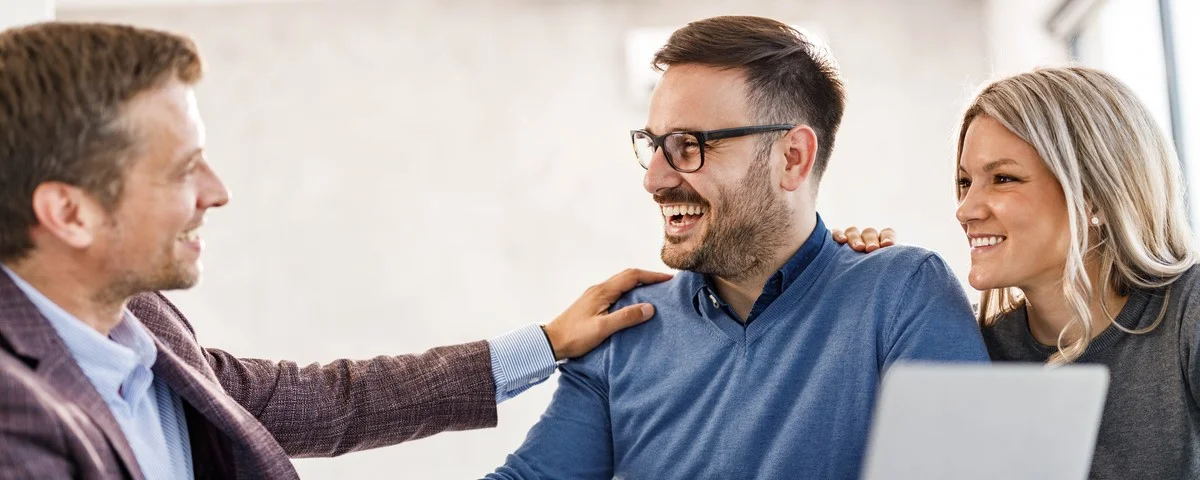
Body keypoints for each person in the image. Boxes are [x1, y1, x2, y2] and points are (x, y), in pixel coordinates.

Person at [0, 21, 671, 479]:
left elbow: (319, 401)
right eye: (185, 168)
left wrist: (547, 342)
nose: (218, 192)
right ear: (69, 213)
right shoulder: (15, 417)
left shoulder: (137, 319)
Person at [486, 15, 989, 480]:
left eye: (689, 145)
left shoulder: (901, 294)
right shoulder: (623, 328)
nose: (655, 180)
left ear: (792, 158)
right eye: (653, 145)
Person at [834, 66, 1200, 479]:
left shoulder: (1189, 312)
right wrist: (858, 278)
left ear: (1094, 196)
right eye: (964, 182)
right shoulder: (969, 346)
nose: (966, 210)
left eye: (1003, 178)